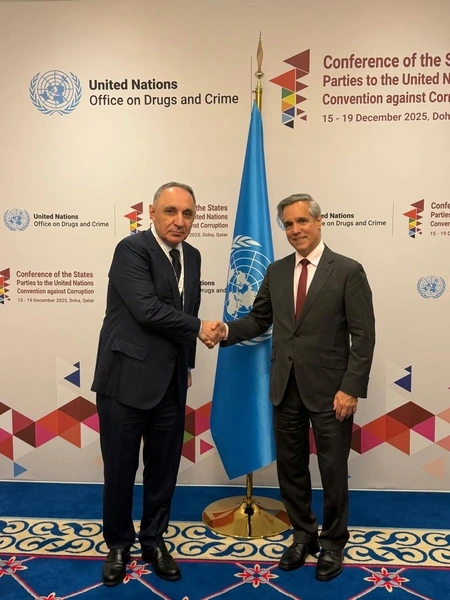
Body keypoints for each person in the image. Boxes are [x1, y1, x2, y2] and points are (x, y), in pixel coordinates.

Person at [209, 193, 375, 581]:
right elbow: (258, 320)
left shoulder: (348, 270)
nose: (295, 229)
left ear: (318, 222)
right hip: (285, 388)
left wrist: (350, 388)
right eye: (288, 224)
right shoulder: (276, 271)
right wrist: (226, 330)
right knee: (292, 469)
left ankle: (333, 543)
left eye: (302, 221)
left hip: (332, 392)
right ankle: (303, 535)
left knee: (332, 471)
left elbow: (363, 336)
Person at [91, 182, 217, 587]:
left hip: (170, 382)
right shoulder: (131, 249)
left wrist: (188, 363)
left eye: (188, 214)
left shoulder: (192, 255)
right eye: (170, 211)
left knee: (163, 470)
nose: (179, 221)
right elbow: (147, 310)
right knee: (120, 470)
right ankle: (118, 544)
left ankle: (153, 540)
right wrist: (199, 328)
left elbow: (188, 306)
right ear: (152, 212)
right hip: (125, 380)